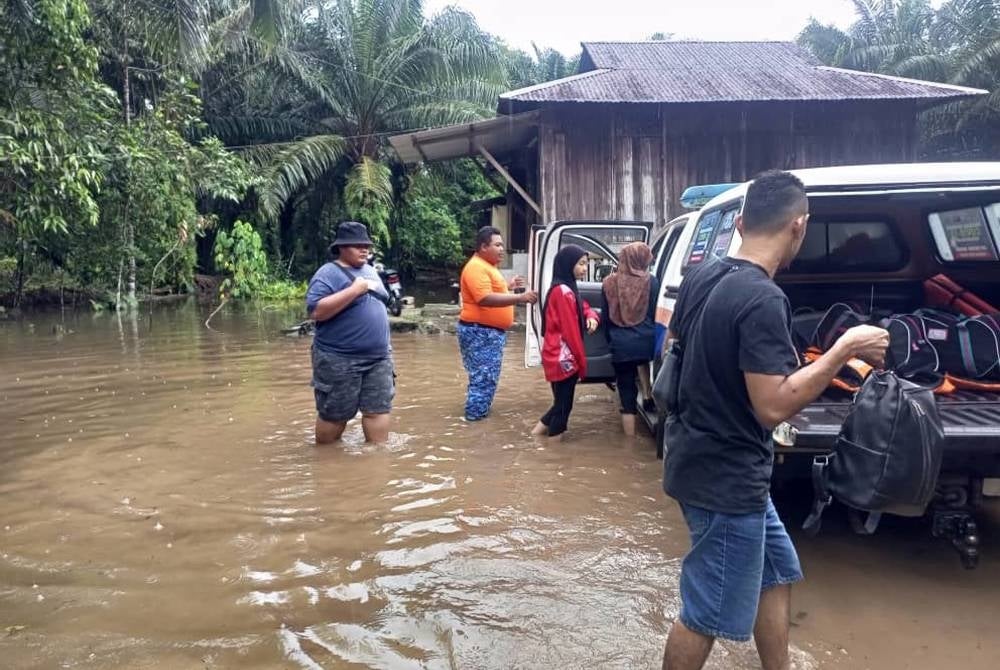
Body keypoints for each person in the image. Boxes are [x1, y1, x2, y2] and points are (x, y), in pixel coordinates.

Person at [661, 171, 889, 670]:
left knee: (777, 571)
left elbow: (679, 356)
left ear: (739, 223)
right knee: (704, 612)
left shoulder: (702, 276)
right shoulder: (763, 298)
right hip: (726, 479)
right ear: (799, 227)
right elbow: (774, 405)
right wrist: (844, 348)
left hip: (697, 459)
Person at [305, 221, 394, 444]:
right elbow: (315, 311)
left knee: (378, 410)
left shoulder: (371, 270)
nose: (364, 249)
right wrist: (354, 291)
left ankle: (376, 462)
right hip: (339, 358)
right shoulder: (327, 273)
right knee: (335, 415)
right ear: (341, 247)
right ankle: (326, 461)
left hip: (379, 357)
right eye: (357, 245)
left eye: (366, 244)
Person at [458, 226, 538, 421]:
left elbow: (490, 290)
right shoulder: (476, 267)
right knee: (483, 380)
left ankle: (479, 417)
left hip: (486, 332)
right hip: (481, 332)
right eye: (498, 245)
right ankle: (475, 424)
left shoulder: (488, 267)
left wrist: (508, 286)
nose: (502, 249)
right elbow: (484, 298)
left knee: (485, 379)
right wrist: (520, 298)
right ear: (484, 247)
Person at [531, 245, 599, 441]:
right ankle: (553, 459)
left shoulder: (565, 287)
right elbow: (571, 334)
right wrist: (582, 363)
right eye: (581, 264)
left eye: (586, 264)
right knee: (563, 406)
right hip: (563, 358)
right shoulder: (563, 292)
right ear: (568, 265)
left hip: (556, 355)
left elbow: (583, 306)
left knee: (560, 403)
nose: (585, 268)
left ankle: (535, 438)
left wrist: (592, 315)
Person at [602, 241, 659, 436]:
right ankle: (649, 395)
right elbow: (654, 314)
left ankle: (630, 441)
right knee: (647, 368)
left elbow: (605, 318)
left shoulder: (609, 282)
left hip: (621, 344)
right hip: (645, 342)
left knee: (626, 393)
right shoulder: (652, 281)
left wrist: (612, 342)